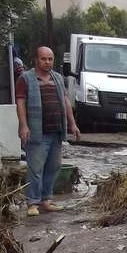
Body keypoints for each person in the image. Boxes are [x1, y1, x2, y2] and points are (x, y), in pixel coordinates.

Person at [16, 46, 80, 216]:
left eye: (50, 59)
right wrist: (23, 125)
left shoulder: (58, 78)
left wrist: (72, 124)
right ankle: (32, 203)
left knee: (54, 167)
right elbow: (20, 103)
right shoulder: (26, 79)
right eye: (43, 59)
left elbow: (66, 101)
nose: (47, 62)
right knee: (35, 169)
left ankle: (46, 200)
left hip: (56, 131)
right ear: (36, 60)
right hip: (37, 133)